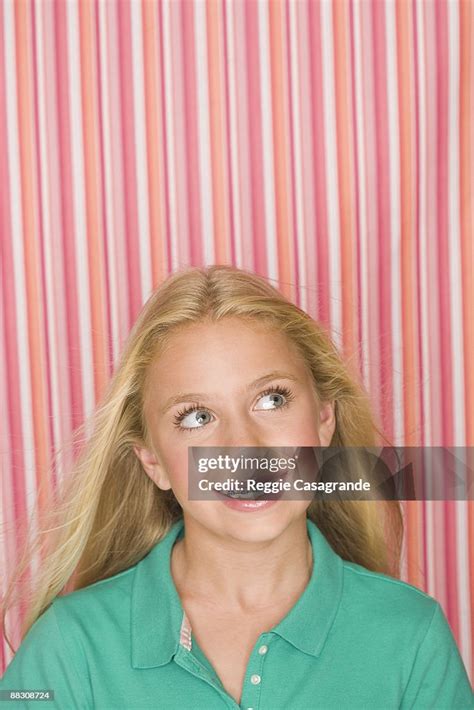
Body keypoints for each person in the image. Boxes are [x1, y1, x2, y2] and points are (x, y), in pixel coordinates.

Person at [1, 265, 472, 709]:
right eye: (196, 417)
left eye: (272, 399)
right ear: (152, 461)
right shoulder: (68, 648)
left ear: (324, 421)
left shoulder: (412, 636)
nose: (244, 446)